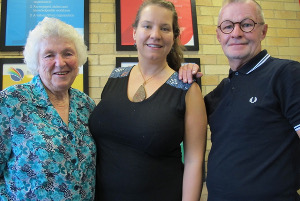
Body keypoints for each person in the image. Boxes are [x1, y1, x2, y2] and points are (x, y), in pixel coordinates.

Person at [181, 0, 300, 200]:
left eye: (246, 24)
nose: (236, 33)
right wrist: (184, 76)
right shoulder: (219, 93)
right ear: (219, 36)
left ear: (263, 31)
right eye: (228, 26)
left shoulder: (286, 74)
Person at [88, 0, 207, 200]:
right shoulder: (115, 77)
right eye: (147, 26)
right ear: (134, 32)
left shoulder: (187, 90)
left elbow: (194, 161)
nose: (155, 35)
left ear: (175, 37)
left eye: (165, 28)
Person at [0, 17, 96, 200]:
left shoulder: (87, 105)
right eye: (49, 55)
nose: (60, 62)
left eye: (68, 53)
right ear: (36, 61)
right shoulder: (11, 102)